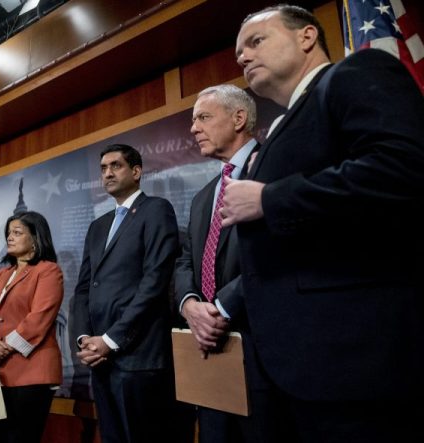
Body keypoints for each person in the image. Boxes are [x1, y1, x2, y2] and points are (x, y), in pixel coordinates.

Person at [218, 4, 424, 442]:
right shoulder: (281, 124)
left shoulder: (356, 73)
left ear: (307, 37)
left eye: (256, 41)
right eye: (239, 53)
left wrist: (270, 198)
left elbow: (401, 168)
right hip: (299, 367)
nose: (243, 57)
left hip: (359, 362)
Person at [71, 144, 194, 443]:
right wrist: (84, 338)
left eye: (116, 166)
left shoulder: (156, 209)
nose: (108, 173)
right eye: (103, 168)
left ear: (136, 172)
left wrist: (111, 340)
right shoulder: (97, 226)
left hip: (139, 356)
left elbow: (155, 281)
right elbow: (85, 287)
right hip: (100, 360)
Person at [174, 84, 259, 443]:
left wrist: (223, 307)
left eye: (203, 117)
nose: (193, 128)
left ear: (239, 118)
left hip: (262, 345)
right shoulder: (202, 197)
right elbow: (185, 261)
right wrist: (190, 305)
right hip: (207, 347)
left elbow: (276, 253)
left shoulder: (272, 166)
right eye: (193, 120)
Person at [0, 210, 64, 443]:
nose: (9, 238)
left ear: (35, 238)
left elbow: (37, 320)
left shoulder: (48, 271)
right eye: (8, 233)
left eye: (17, 232)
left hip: (31, 373)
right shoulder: (0, 275)